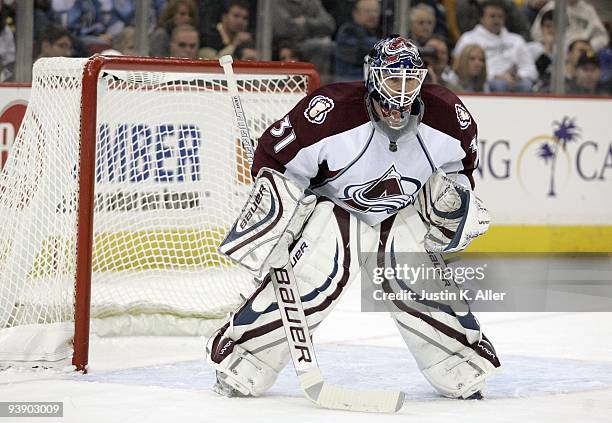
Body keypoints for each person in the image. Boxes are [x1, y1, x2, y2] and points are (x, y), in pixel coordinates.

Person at [206, 36, 500, 401]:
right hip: (333, 209)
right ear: (374, 77)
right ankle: (244, 361)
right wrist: (280, 214)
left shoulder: (448, 117)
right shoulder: (331, 111)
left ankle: (459, 366)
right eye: (394, 80)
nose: (404, 91)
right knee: (322, 264)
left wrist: (452, 205)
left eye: (412, 79)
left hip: (400, 211)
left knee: (409, 269)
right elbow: (274, 159)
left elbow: (460, 171)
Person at [454, 0, 537, 92]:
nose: (496, 20)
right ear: (481, 18)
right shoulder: (468, 39)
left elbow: (531, 69)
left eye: (500, 16)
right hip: (485, 82)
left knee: (526, 85)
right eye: (492, 16)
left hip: (514, 81)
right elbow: (460, 68)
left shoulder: (516, 40)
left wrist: (518, 76)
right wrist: (495, 76)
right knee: (500, 85)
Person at [531, 0, 609, 53]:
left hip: (582, 53)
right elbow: (536, 34)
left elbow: (602, 36)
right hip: (556, 52)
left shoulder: (588, 10)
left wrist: (589, 46)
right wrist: (550, 44)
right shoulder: (551, 7)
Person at [334, 0, 381, 80]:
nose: (372, 15)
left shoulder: (380, 31)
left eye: (375, 11)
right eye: (367, 11)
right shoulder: (347, 32)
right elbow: (363, 51)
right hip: (350, 82)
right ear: (356, 13)